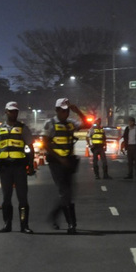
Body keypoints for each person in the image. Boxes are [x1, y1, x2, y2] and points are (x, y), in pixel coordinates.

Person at [43, 98, 90, 234]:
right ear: (57, 110)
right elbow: (46, 143)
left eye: (67, 111)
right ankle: (71, 224)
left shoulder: (71, 123)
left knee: (68, 192)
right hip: (56, 162)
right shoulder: (50, 124)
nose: (66, 113)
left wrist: (78, 111)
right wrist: (59, 158)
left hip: (69, 161)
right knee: (65, 191)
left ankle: (55, 216)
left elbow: (87, 124)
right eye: (63, 111)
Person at [0, 101, 36, 233]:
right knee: (6, 198)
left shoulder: (23, 128)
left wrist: (31, 165)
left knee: (22, 198)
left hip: (19, 166)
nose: (13, 113)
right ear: (6, 112)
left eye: (15, 111)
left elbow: (31, 147)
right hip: (5, 168)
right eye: (11, 111)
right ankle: (7, 224)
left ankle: (24, 225)